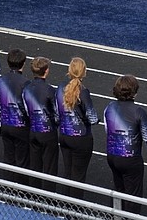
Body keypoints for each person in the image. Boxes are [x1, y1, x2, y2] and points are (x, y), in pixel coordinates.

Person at [104, 74, 147, 214]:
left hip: (112, 155)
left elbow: (107, 129)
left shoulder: (109, 107)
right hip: (131, 159)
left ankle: (117, 216)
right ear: (134, 92)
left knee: (119, 190)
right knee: (133, 196)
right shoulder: (139, 112)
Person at [55, 57, 99, 198]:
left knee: (67, 173)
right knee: (78, 177)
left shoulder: (61, 87)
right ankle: (75, 210)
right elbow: (92, 118)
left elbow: (57, 113)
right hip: (81, 138)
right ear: (84, 72)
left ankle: (65, 207)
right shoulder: (83, 92)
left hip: (64, 135)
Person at [0, 48, 30, 183]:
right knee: (22, 160)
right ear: (23, 64)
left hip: (5, 125)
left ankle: (7, 190)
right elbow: (28, 107)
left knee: (8, 158)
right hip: (21, 126)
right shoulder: (26, 83)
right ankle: (21, 193)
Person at [22, 56, 59, 191]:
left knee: (35, 165)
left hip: (33, 130)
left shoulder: (27, 88)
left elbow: (26, 109)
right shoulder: (49, 90)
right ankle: (49, 201)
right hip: (48, 132)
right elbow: (56, 113)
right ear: (46, 71)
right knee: (49, 167)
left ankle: (34, 197)